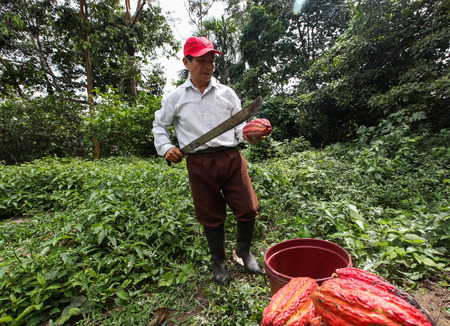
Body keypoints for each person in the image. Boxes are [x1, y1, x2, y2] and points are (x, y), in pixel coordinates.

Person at [152, 36, 263, 285]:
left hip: (231, 158)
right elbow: (159, 125)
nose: (208, 66)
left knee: (247, 208)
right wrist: (166, 147)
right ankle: (220, 263)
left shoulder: (227, 93)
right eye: (201, 61)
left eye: (211, 61)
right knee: (210, 214)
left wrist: (248, 136)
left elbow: (239, 128)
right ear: (186, 62)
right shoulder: (176, 98)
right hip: (199, 163)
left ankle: (244, 252)